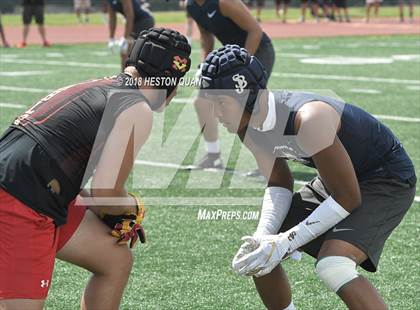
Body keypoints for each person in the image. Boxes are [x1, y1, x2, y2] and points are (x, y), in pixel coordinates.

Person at [199, 45, 416, 309]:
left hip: (385, 176)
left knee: (333, 265)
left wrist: (286, 241)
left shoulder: (309, 118)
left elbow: (348, 197)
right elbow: (279, 182)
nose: (215, 114)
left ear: (245, 95)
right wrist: (265, 236)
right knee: (261, 253)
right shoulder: (248, 127)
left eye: (220, 103)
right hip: (338, 177)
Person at [0, 27, 191, 310]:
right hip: (24, 199)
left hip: (33, 186)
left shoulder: (99, 85)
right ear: (172, 86)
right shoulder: (136, 107)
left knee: (114, 260)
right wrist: (131, 208)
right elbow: (105, 193)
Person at [187, 0, 275, 173]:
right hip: (231, 59)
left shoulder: (224, 2)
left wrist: (243, 65)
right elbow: (206, 35)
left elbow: (255, 31)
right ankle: (213, 156)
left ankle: (271, 160)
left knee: (253, 107)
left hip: (257, 52)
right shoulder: (191, 5)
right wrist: (204, 65)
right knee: (202, 103)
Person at [107, 0, 155, 70]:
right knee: (126, 52)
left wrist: (126, 38)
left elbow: (130, 16)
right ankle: (125, 77)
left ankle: (126, 77)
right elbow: (112, 18)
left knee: (127, 51)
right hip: (136, 22)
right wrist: (111, 38)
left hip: (143, 21)